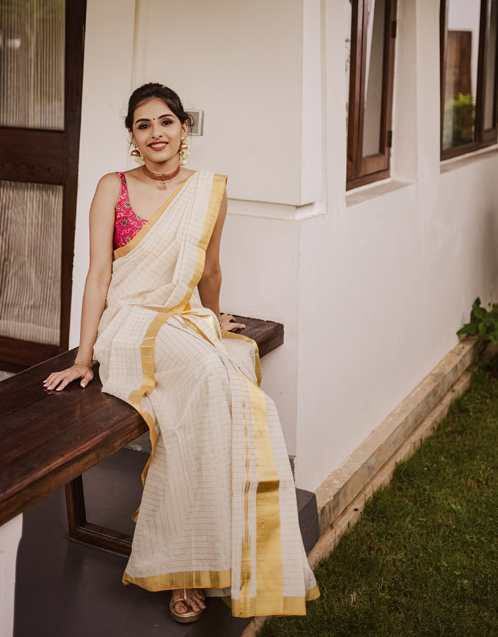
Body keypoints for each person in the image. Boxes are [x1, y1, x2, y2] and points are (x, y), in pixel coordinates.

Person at [43, 82, 320, 622]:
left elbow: (209, 270)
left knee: (230, 393)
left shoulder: (208, 191)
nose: (156, 133)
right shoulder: (112, 187)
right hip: (127, 324)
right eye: (143, 125)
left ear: (183, 129)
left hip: (180, 319)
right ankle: (187, 564)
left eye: (165, 122)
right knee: (220, 384)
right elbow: (99, 274)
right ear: (131, 137)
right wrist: (82, 357)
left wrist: (215, 314)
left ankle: (213, 548)